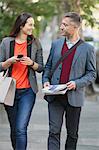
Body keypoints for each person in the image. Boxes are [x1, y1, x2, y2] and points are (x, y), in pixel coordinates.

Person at [42, 12, 96, 150]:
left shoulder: (88, 49)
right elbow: (48, 67)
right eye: (61, 24)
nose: (61, 27)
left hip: (74, 98)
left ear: (75, 27)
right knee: (53, 131)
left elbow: (91, 74)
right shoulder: (56, 44)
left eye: (65, 25)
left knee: (72, 134)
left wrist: (76, 83)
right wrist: (46, 80)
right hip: (55, 96)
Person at [0, 12, 43, 150]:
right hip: (9, 91)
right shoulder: (6, 42)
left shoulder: (35, 43)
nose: (32, 27)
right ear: (21, 25)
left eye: (33, 25)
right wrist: (9, 61)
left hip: (28, 92)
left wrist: (31, 63)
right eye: (30, 24)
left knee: (20, 129)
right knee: (14, 129)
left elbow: (41, 67)